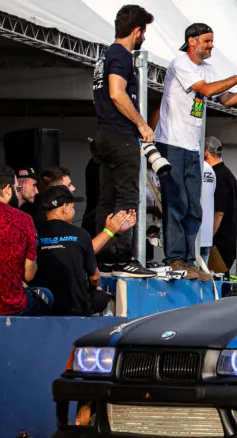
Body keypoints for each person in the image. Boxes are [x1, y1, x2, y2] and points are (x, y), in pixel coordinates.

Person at [152, 23, 237, 279]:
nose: (211, 45)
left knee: (194, 206)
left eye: (212, 41)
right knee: (176, 203)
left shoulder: (208, 69)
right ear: (192, 41)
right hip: (172, 143)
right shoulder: (180, 64)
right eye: (207, 41)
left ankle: (190, 260)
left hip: (192, 148)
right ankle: (175, 258)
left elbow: (224, 100)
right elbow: (207, 90)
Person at [91, 4, 156, 278]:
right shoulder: (120, 55)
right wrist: (141, 124)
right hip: (119, 135)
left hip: (104, 133)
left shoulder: (106, 54)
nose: (145, 37)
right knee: (127, 197)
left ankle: (105, 257)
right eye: (144, 32)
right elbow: (117, 94)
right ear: (137, 30)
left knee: (107, 197)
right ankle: (123, 259)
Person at [33, 186, 115, 316]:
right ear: (64, 207)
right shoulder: (80, 234)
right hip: (76, 308)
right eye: (72, 207)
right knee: (103, 297)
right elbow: (94, 276)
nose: (73, 210)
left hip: (42, 305)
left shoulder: (34, 233)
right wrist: (95, 287)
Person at [0, 165, 53, 316]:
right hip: (8, 305)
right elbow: (28, 275)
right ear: (8, 189)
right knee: (47, 296)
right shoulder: (24, 220)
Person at [203, 136, 237, 273]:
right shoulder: (228, 174)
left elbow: (219, 212)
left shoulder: (217, 175)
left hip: (219, 244)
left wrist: (207, 238)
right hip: (226, 242)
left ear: (206, 153)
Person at [199, 150, 216, 265]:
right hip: (207, 235)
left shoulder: (192, 167)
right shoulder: (210, 170)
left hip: (193, 235)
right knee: (203, 275)